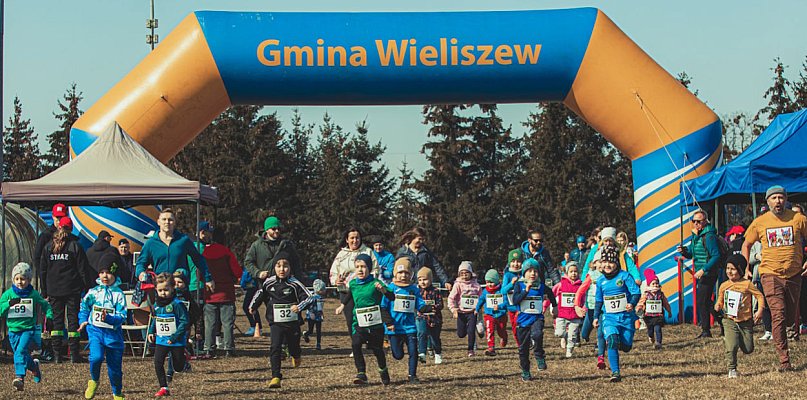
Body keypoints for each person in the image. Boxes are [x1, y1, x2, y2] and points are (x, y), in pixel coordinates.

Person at [742, 185, 807, 371]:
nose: (777, 201)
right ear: (768, 201)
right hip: (770, 273)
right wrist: (745, 267)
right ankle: (784, 360)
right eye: (774, 198)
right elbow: (746, 244)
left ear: (786, 200)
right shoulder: (760, 222)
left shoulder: (798, 219)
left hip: (794, 273)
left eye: (780, 197)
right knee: (778, 314)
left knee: (789, 317)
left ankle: (786, 329)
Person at [250, 255, 315, 389]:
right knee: (275, 347)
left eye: (285, 266)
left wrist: (299, 307)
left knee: (293, 347)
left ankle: (296, 354)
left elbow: (309, 297)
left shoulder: (295, 283)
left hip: (292, 323)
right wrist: (253, 306)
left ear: (290, 268)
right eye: (278, 266)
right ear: (274, 268)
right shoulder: (269, 282)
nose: (282, 269)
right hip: (276, 322)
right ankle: (275, 376)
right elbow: (260, 294)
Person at [334, 253, 394, 385]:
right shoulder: (354, 284)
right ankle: (361, 373)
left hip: (375, 324)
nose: (360, 270)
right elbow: (349, 295)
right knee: (355, 344)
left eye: (363, 266)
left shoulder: (375, 283)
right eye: (357, 267)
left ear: (370, 268)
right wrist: (342, 305)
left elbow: (391, 297)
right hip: (359, 322)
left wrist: (383, 290)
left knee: (377, 350)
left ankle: (383, 370)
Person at [40, 216, 93, 363]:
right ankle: (74, 354)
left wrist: (45, 292)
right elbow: (83, 270)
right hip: (72, 290)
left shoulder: (48, 247)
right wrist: (86, 289)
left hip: (53, 290)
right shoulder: (75, 246)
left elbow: (42, 271)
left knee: (56, 323)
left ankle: (57, 355)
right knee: (72, 321)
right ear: (70, 229)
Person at [78, 253, 127, 400]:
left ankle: (117, 392)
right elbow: (84, 307)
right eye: (102, 272)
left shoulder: (119, 295)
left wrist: (110, 318)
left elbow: (122, 316)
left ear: (115, 274)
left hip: (113, 335)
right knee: (96, 357)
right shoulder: (94, 292)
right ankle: (94, 380)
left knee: (115, 370)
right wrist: (83, 320)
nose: (105, 276)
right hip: (96, 331)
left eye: (109, 272)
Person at [593, 245, 641, 383]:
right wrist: (596, 317)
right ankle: (616, 372)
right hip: (609, 318)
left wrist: (631, 303)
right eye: (605, 262)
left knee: (626, 347)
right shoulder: (601, 281)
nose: (607, 265)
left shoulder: (624, 276)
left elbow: (636, 292)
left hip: (626, 318)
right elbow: (598, 301)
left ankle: (624, 344)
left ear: (617, 263)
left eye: (611, 262)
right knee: (612, 341)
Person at [135, 208, 214, 292]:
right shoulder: (150, 243)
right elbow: (141, 263)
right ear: (158, 222)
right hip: (161, 290)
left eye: (170, 220)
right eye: (164, 219)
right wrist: (140, 273)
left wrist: (208, 278)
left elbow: (198, 259)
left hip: (180, 289)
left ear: (175, 222)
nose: (167, 222)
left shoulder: (183, 240)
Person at [381, 257, 432, 384]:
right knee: (398, 355)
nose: (403, 275)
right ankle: (391, 347)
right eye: (400, 272)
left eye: (406, 273)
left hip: (410, 327)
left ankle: (412, 375)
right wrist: (389, 323)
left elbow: (419, 304)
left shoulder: (413, 289)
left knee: (413, 351)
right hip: (395, 328)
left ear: (411, 274)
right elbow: (383, 307)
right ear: (395, 273)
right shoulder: (390, 288)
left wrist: (427, 308)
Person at [1, 262, 50, 391]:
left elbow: (44, 304)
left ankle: (20, 377)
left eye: (23, 279)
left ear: (28, 280)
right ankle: (34, 367)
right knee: (21, 354)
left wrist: (49, 315)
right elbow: (1, 310)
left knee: (20, 351)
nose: (20, 282)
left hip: (28, 329)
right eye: (17, 279)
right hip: (13, 330)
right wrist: (9, 304)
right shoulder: (8, 295)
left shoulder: (33, 294)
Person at [714, 254, 765, 378]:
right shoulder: (724, 285)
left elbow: (759, 296)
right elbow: (720, 299)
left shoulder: (747, 284)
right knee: (731, 345)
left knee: (748, 349)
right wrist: (718, 305)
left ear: (740, 270)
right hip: (729, 319)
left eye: (733, 269)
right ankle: (732, 368)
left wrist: (760, 310)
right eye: (727, 268)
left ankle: (743, 341)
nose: (729, 272)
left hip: (745, 321)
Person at [677, 210, 722, 338]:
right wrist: (684, 251)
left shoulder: (709, 236)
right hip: (701, 272)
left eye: (699, 221)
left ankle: (706, 330)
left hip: (708, 273)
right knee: (706, 302)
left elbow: (716, 255)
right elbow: (692, 253)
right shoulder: (696, 235)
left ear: (705, 221)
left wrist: (704, 269)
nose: (696, 223)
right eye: (694, 221)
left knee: (703, 301)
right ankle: (722, 321)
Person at [511, 258, 557, 381]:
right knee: (523, 348)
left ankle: (539, 356)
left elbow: (551, 294)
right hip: (523, 320)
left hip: (537, 317)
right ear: (524, 273)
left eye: (535, 271)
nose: (532, 274)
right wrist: (525, 291)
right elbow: (515, 300)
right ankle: (525, 370)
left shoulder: (541, 285)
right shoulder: (519, 285)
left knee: (537, 335)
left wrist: (555, 306)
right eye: (529, 271)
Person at [200, 224, 243, 357]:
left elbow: (200, 272)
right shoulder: (226, 252)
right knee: (227, 322)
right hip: (226, 292)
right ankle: (229, 348)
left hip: (210, 293)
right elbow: (237, 271)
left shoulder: (205, 253)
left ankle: (209, 348)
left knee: (210, 323)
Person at [330, 228, 377, 347]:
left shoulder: (368, 252)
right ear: (347, 240)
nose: (355, 240)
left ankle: (370, 341)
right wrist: (335, 281)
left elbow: (376, 269)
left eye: (357, 238)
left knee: (364, 316)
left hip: (364, 291)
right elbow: (333, 272)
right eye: (352, 238)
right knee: (350, 320)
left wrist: (368, 280)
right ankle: (356, 343)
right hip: (346, 292)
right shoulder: (341, 255)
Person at [148, 273, 190, 397]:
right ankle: (163, 387)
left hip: (176, 340)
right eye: (160, 290)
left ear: (173, 288)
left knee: (178, 367)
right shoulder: (157, 305)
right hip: (162, 339)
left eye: (166, 290)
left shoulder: (177, 304)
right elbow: (155, 319)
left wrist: (175, 336)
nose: (163, 293)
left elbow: (184, 321)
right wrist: (151, 331)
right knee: (158, 362)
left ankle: (184, 360)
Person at [244, 216, 304, 282]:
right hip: (263, 284)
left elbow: (296, 263)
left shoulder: (286, 244)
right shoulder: (257, 245)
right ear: (267, 230)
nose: (277, 231)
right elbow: (248, 262)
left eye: (278, 228)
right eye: (273, 229)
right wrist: (258, 273)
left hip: (284, 283)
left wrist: (298, 280)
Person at [576, 256, 607, 370]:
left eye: (603, 262)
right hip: (591, 308)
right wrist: (577, 305)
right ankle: (585, 337)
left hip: (602, 309)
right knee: (584, 334)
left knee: (600, 333)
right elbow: (580, 291)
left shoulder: (608, 276)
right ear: (594, 264)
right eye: (599, 262)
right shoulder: (591, 276)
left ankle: (601, 358)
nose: (601, 264)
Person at [447, 261, 481, 357]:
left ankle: (470, 349)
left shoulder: (476, 285)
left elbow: (481, 298)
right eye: (461, 273)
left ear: (471, 273)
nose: (464, 275)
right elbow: (451, 298)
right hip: (461, 312)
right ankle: (466, 330)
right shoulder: (457, 285)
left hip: (472, 312)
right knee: (461, 334)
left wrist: (477, 308)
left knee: (471, 331)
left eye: (466, 273)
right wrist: (453, 309)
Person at [553, 261, 583, 358]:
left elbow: (584, 298)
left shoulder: (581, 286)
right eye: (571, 271)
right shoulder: (561, 284)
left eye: (575, 271)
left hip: (575, 315)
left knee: (573, 335)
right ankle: (564, 337)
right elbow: (552, 293)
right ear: (567, 273)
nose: (573, 273)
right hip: (562, 314)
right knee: (559, 333)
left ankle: (569, 350)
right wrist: (551, 306)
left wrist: (583, 308)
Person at [636, 269, 671, 350]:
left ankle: (659, 343)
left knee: (658, 329)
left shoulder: (661, 294)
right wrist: (639, 308)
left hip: (658, 315)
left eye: (657, 283)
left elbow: (666, 303)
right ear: (649, 284)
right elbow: (641, 302)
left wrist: (669, 311)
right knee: (650, 330)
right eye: (653, 283)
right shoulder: (646, 294)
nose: (655, 285)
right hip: (648, 316)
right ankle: (650, 336)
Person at [476, 269, 508, 356]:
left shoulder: (502, 290)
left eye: (491, 282)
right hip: (489, 315)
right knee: (489, 330)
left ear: (496, 281)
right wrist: (477, 309)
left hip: (501, 315)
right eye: (487, 282)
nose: (489, 284)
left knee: (501, 331)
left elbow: (506, 302)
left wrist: (500, 306)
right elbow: (481, 300)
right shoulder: (485, 291)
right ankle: (491, 347)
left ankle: (504, 337)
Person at [415, 267, 443, 364]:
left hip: (435, 319)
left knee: (434, 338)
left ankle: (438, 354)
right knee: (421, 334)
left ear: (430, 280)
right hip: (421, 317)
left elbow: (441, 304)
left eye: (425, 279)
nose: (422, 282)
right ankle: (422, 353)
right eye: (420, 280)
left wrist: (433, 307)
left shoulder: (435, 291)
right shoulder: (416, 291)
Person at [501, 249, 524, 346]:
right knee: (515, 327)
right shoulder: (507, 275)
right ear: (509, 263)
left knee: (523, 326)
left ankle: (524, 343)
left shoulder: (524, 273)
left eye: (518, 261)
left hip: (522, 306)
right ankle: (520, 345)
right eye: (513, 261)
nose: (516, 264)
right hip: (511, 307)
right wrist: (512, 284)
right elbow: (503, 291)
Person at [303, 279, 326, 350]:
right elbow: (308, 305)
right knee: (311, 330)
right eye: (323, 289)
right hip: (312, 316)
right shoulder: (312, 297)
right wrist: (308, 315)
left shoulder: (320, 297)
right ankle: (306, 334)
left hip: (317, 316)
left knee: (318, 330)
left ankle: (318, 344)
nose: (324, 291)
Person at [240, 269, 262, 338]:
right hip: (251, 286)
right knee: (251, 307)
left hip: (252, 286)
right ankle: (256, 325)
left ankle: (255, 326)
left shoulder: (250, 265)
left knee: (249, 307)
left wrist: (243, 283)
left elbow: (247, 274)